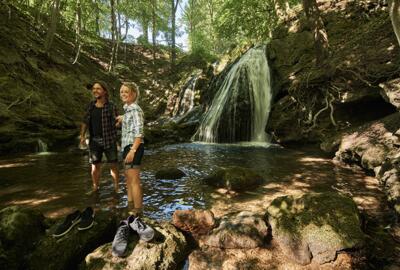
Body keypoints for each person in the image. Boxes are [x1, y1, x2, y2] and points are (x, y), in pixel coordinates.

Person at [80, 81, 119, 193]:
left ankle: (116, 187)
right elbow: (85, 121)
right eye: (94, 89)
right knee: (95, 166)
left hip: (109, 139)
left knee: (113, 165)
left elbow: (117, 122)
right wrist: (82, 136)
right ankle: (95, 187)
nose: (95, 91)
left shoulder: (111, 106)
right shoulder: (90, 106)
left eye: (98, 88)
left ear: (104, 91)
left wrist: (118, 126)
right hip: (94, 141)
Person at [118, 82, 145, 216]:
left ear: (133, 94)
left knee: (134, 181)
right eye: (121, 91)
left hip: (134, 147)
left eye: (126, 91)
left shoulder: (134, 109)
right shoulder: (128, 109)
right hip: (127, 146)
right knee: (128, 179)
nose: (123, 94)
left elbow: (139, 132)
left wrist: (132, 151)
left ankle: (138, 210)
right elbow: (131, 122)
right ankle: (130, 205)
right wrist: (122, 118)